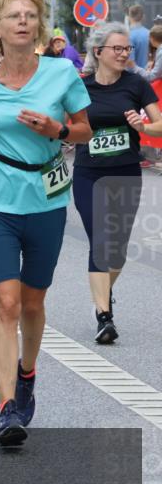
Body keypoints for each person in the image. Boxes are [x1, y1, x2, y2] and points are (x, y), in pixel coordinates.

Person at [0, 0, 93, 446]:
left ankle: (28, 371)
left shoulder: (60, 73)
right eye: (14, 16)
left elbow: (84, 129)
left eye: (30, 15)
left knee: (34, 304)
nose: (23, 22)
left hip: (47, 201)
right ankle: (6, 408)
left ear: (38, 26)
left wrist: (57, 129)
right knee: (8, 305)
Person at [73, 21, 162, 343]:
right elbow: (61, 121)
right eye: (118, 49)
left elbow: (160, 125)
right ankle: (104, 316)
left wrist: (143, 127)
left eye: (128, 49)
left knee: (118, 248)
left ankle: (103, 293)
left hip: (125, 171)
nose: (125, 54)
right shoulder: (80, 86)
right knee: (101, 240)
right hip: (88, 173)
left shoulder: (136, 85)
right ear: (99, 52)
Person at [128, 4, 150, 69]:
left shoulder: (128, 36)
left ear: (129, 17)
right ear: (143, 17)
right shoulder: (150, 34)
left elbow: (129, 62)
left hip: (133, 76)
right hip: (150, 75)